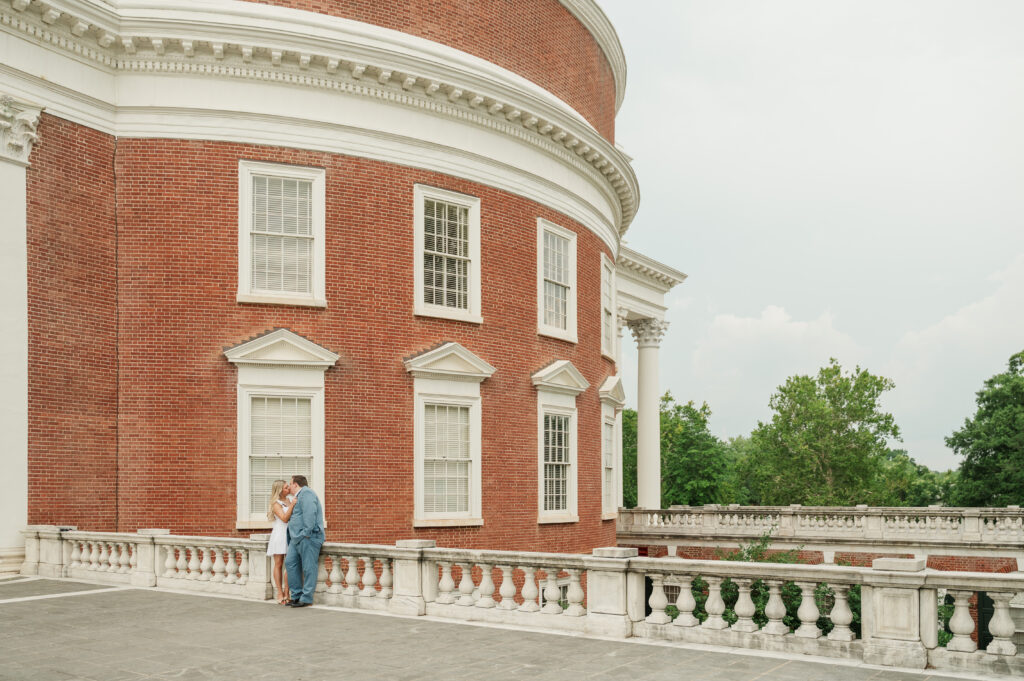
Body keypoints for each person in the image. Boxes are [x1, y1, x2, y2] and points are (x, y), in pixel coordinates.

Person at [284, 475, 324, 607]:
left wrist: (305, 534)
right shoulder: (298, 497)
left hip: (308, 538)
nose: (289, 487)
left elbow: (309, 514)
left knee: (308, 568)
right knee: (290, 563)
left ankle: (306, 598)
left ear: (296, 484)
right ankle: (296, 595)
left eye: (290, 484)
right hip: (296, 539)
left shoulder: (307, 493)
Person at [266, 480, 298, 605]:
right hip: (280, 534)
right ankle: (279, 593)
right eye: (286, 488)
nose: (288, 489)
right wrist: (292, 505)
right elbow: (284, 519)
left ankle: (287, 592)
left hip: (291, 534)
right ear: (280, 490)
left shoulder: (290, 500)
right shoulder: (276, 504)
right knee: (278, 564)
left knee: (290, 564)